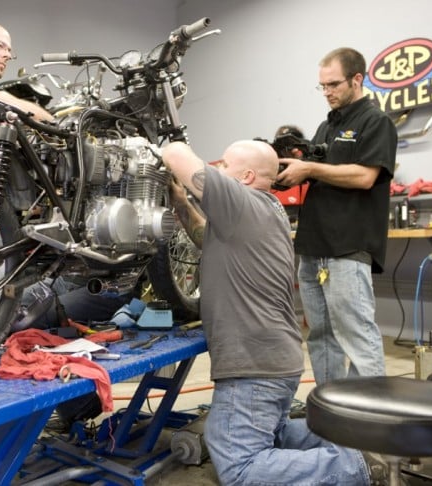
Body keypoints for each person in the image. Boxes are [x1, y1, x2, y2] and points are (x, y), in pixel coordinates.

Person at [162, 140, 373, 485]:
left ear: (244, 176)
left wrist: (151, 139)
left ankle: (354, 468)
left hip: (255, 365)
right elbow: (204, 236)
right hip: (276, 360)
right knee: (262, 437)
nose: (216, 170)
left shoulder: (241, 202)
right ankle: (357, 447)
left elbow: (175, 154)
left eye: (223, 165)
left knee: (239, 467)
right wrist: (182, 203)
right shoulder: (263, 210)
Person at [277, 47, 398, 385]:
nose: (327, 92)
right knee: (320, 337)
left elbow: (365, 177)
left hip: (348, 247)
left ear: (357, 79)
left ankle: (369, 416)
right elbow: (317, 171)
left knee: (357, 335)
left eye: (334, 84)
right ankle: (331, 409)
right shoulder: (327, 126)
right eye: (323, 86)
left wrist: (310, 168)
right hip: (315, 246)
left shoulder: (376, 122)